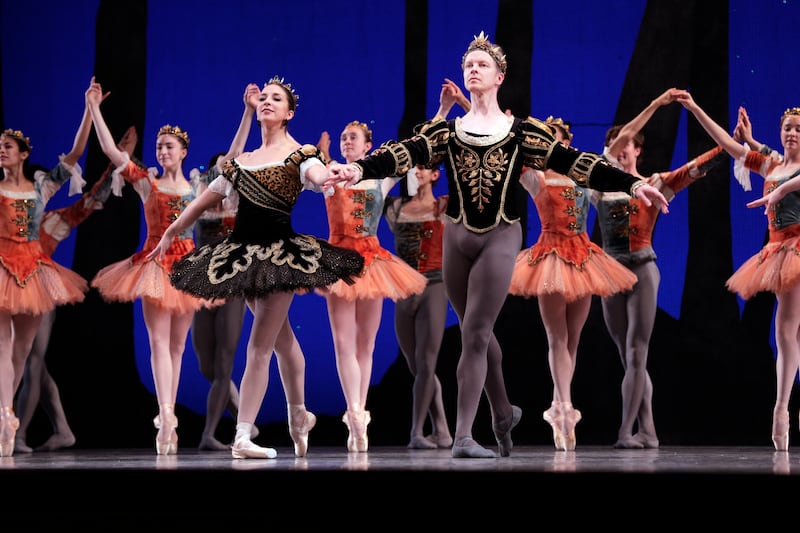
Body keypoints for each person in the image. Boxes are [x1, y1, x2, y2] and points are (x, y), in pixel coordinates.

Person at [327, 31, 670, 458]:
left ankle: (466, 436)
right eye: (468, 64)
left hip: (501, 237)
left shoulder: (521, 133)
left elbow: (578, 163)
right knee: (481, 334)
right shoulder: (449, 133)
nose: (472, 69)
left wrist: (633, 185)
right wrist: (355, 170)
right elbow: (400, 154)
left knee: (473, 332)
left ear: (499, 76)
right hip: (457, 237)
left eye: (481, 64)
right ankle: (505, 411)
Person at [148, 76, 365, 459]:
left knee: (259, 346)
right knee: (283, 342)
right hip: (241, 259)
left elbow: (316, 174)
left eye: (275, 98)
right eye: (263, 97)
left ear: (289, 112)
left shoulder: (301, 155)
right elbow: (200, 203)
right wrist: (170, 231)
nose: (267, 102)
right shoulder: (241, 163)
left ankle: (242, 435)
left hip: (281, 259)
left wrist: (329, 175)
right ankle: (299, 416)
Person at [595, 91, 726, 449]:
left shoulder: (656, 183)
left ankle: (626, 431)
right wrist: (653, 104)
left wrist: (735, 144)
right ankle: (649, 430)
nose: (619, 149)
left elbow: (698, 167)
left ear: (638, 150)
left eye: (626, 145)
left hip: (642, 270)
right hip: (610, 274)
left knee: (637, 352)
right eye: (613, 144)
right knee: (627, 357)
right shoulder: (599, 185)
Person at [86, 78, 209, 456]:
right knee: (158, 343)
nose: (161, 151)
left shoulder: (196, 185)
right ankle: (166, 416)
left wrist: (248, 112)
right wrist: (93, 107)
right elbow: (111, 150)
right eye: (158, 146)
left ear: (183, 151)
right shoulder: (147, 183)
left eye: (168, 146)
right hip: (154, 264)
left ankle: (169, 420)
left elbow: (233, 158)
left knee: (177, 346)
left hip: (187, 268)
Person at [675, 90, 800, 451]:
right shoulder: (771, 164)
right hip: (779, 251)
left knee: (790, 330)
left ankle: (782, 409)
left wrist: (778, 193)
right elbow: (728, 145)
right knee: (785, 331)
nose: (792, 133)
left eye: (798, 129)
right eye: (788, 128)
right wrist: (696, 107)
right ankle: (781, 408)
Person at [508, 117, 639, 451]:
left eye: (555, 139)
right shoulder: (535, 177)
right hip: (549, 257)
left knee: (573, 340)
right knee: (557, 336)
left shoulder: (584, 175)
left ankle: (558, 405)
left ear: (566, 143)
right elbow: (504, 141)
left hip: (583, 257)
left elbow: (617, 144)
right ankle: (565, 407)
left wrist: (653, 105)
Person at [14, 126, 138, 453]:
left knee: (33, 362)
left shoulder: (52, 221)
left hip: (38, 286)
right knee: (31, 366)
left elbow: (91, 201)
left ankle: (18, 434)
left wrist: (115, 166)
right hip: (9, 284)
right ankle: (63, 429)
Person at [0, 78, 97, 457]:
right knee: (2, 347)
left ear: (23, 154)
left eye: (7, 147)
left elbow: (74, 154)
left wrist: (89, 109)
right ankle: (6, 418)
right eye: (0, 148)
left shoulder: (41, 187)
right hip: (3, 267)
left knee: (22, 354)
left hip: (34, 271)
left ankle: (9, 418)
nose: (1, 152)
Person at [317, 120, 427, 453]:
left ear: (368, 146)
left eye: (353, 138)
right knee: (343, 342)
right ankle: (353, 413)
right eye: (343, 137)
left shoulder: (379, 178)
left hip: (372, 262)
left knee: (366, 343)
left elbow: (413, 147)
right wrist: (321, 155)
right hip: (338, 262)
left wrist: (445, 109)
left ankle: (360, 413)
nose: (346, 142)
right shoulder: (329, 176)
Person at [384, 162, 454, 449]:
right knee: (416, 365)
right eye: (413, 168)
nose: (417, 172)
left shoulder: (444, 207)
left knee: (426, 362)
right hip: (405, 287)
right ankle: (443, 430)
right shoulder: (396, 208)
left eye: (424, 168)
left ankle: (416, 432)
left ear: (435, 175)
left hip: (435, 285)